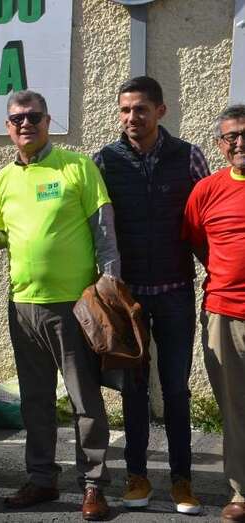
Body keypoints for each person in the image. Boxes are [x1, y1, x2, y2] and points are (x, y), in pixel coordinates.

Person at [0, 90, 118, 521]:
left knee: (84, 400)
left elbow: (104, 228)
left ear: (48, 121)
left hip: (72, 306)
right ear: (8, 127)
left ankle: (93, 485)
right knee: (35, 400)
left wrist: (109, 281)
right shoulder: (4, 179)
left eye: (34, 117)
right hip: (22, 304)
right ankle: (42, 478)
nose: (26, 124)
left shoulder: (77, 167)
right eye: (17, 118)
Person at [93, 76, 209, 514]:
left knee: (176, 389)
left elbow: (208, 216)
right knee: (134, 389)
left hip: (176, 293)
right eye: (124, 110)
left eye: (140, 109)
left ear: (160, 111)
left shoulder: (189, 156)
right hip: (128, 299)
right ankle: (137, 477)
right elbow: (96, 225)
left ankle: (182, 482)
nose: (131, 118)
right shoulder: (104, 160)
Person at [183, 104, 245, 523]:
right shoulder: (207, 190)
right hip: (224, 312)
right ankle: (241, 493)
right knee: (235, 407)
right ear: (221, 146)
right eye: (231, 137)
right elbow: (196, 243)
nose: (239, 142)